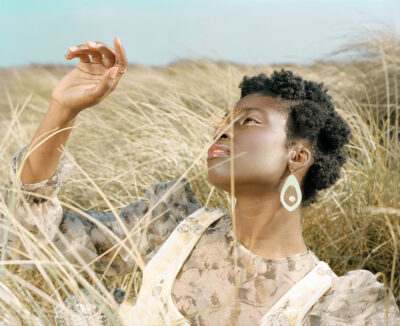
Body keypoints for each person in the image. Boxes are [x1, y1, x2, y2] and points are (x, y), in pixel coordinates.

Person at [1, 37, 399, 325]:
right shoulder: (172, 227)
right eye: (223, 122)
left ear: (297, 156)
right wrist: (62, 111)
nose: (223, 132)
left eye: (247, 121)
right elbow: (35, 239)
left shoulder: (338, 305)